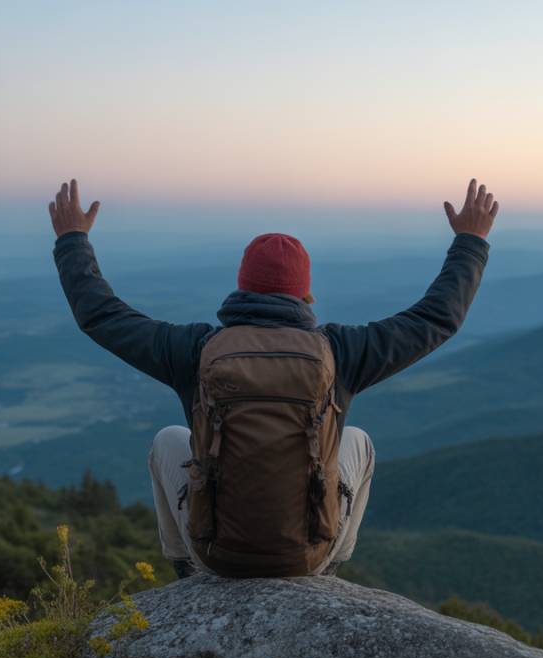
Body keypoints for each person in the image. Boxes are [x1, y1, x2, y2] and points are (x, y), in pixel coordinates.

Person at [49, 178, 497, 578]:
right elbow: (436, 318)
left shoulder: (196, 351)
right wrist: (470, 242)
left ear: (241, 288)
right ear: (305, 294)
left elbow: (102, 316)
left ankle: (186, 569)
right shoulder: (341, 353)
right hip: (306, 556)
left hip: (215, 554)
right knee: (357, 439)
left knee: (170, 437)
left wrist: (73, 240)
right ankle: (331, 567)